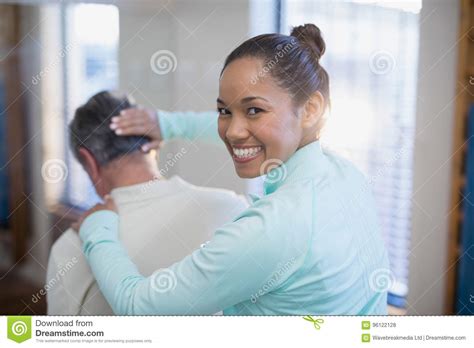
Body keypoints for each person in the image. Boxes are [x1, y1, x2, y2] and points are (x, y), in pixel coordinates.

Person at [76, 24, 390, 315]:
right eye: (224, 111)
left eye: (254, 109)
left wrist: (97, 228)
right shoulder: (346, 174)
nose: (232, 131)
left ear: (310, 110)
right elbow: (257, 132)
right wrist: (169, 125)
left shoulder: (270, 230)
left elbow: (139, 308)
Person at [46, 91, 247, 315]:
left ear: (89, 162)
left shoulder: (71, 248)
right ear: (155, 145)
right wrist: (175, 124)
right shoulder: (235, 210)